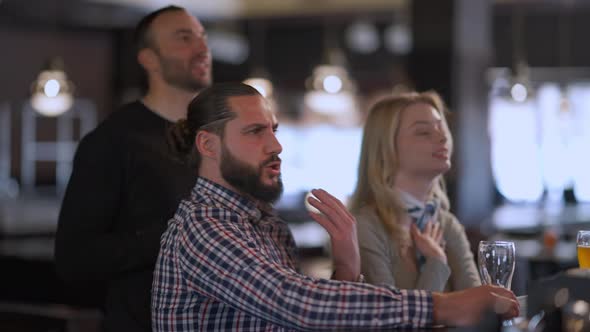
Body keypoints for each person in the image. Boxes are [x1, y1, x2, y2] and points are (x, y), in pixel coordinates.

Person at [151, 82, 518, 331]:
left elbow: (301, 319)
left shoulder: (264, 222)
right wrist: (445, 305)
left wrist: (345, 267)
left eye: (274, 129)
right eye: (255, 132)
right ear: (208, 145)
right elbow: (294, 303)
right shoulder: (203, 227)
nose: (276, 145)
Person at [54, 5, 211, 331]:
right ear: (149, 59)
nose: (202, 49)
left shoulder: (214, 140)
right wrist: (169, 236)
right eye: (185, 38)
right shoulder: (113, 141)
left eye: (202, 37)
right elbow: (75, 258)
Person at [350, 91, 481, 292]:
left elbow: (477, 305)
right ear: (385, 147)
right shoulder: (366, 227)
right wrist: (436, 261)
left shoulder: (447, 224)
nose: (443, 137)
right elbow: (393, 318)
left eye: (441, 127)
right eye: (423, 132)